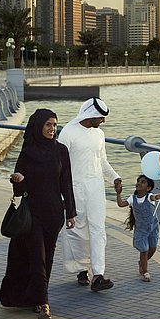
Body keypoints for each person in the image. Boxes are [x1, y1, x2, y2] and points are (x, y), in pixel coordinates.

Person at [0, 109, 76, 319]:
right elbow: (19, 190)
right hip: (32, 214)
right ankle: (43, 302)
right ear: (38, 126)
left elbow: (66, 183)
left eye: (54, 125)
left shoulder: (61, 151)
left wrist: (71, 212)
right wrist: (18, 180)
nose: (52, 129)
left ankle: (35, 298)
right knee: (37, 257)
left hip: (53, 215)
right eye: (48, 125)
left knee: (47, 258)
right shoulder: (27, 152)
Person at [58, 97, 122, 292]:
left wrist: (115, 178)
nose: (103, 121)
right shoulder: (68, 133)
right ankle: (81, 269)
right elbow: (59, 166)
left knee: (98, 230)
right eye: (100, 118)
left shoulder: (99, 134)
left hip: (95, 188)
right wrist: (62, 194)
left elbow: (102, 161)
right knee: (77, 231)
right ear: (91, 115)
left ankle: (98, 274)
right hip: (74, 188)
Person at [116, 175, 160, 282]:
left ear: (148, 188)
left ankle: (142, 263)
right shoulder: (132, 199)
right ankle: (144, 272)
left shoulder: (149, 196)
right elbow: (120, 204)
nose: (139, 183)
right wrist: (118, 193)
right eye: (138, 181)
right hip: (141, 229)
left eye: (143, 182)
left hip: (152, 226)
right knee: (144, 250)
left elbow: (154, 197)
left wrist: (158, 196)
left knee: (153, 248)